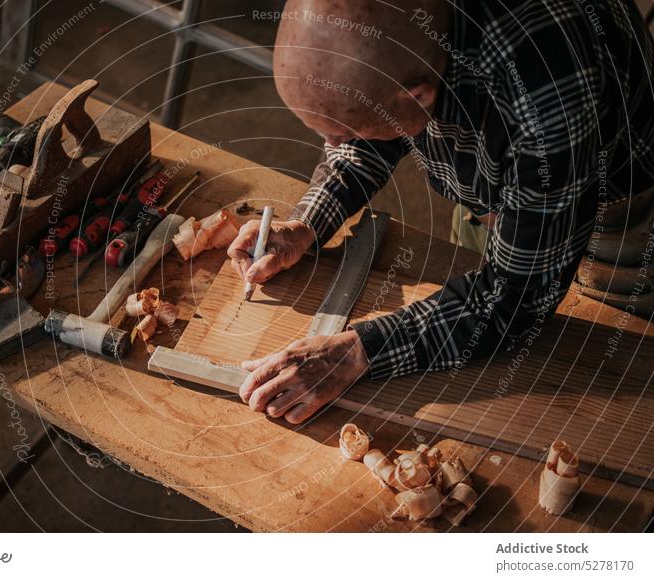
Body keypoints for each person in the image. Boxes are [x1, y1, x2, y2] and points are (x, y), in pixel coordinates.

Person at [227, 0, 654, 424]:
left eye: (343, 132)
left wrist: (359, 350)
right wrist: (307, 223)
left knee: (609, 369)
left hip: (618, 210)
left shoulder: (548, 97)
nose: (335, 146)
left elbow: (517, 295)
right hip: (495, 178)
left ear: (419, 96)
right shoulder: (393, 43)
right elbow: (369, 112)